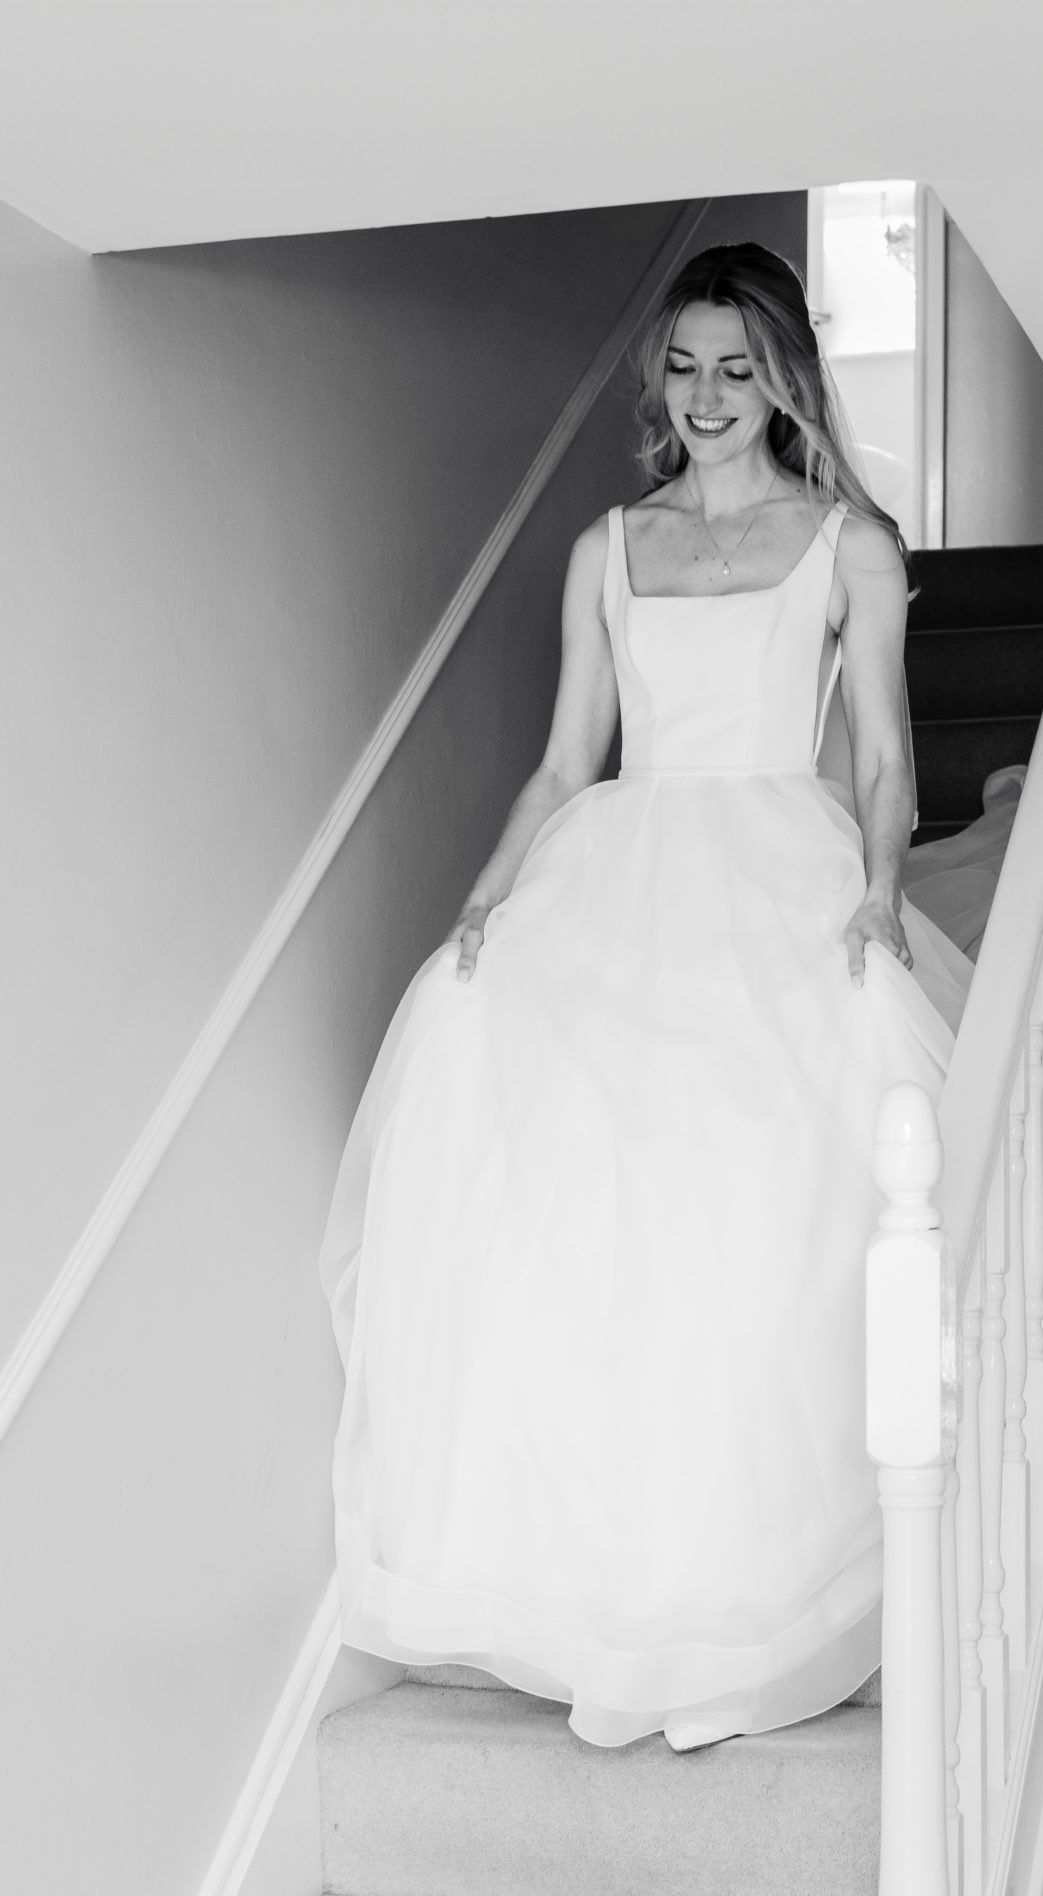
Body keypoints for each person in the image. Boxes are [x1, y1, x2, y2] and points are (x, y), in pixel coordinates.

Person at [319, 241, 970, 1751]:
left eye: (738, 368)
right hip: (621, 874)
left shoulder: (848, 547)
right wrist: (485, 901)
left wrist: (877, 888)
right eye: (683, 367)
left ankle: (749, 1589)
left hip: (780, 881)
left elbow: (884, 759)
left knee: (755, 1227)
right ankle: (596, 1589)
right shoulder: (607, 548)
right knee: (583, 1229)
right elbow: (566, 760)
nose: (708, 396)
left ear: (787, 376)